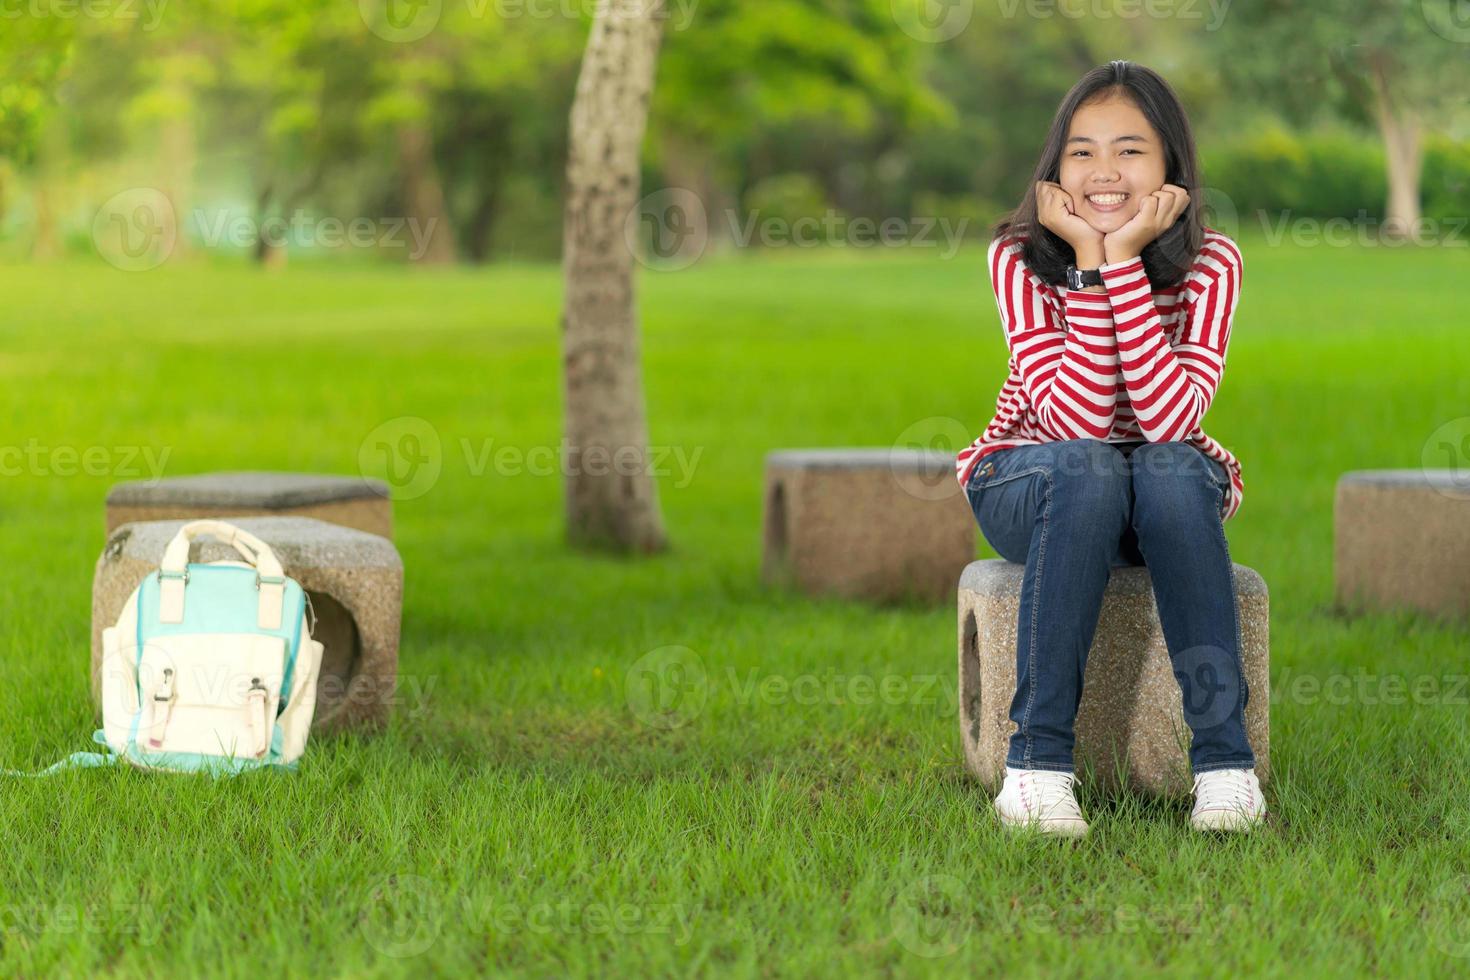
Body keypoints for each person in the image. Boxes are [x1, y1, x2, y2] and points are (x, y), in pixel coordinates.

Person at [954, 60, 1264, 837]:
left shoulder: (1211, 263)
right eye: (1082, 151)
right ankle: (1036, 770)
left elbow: (1168, 420)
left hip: (1161, 489)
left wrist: (1120, 260)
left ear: (1170, 169)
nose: (1104, 172)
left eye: (1130, 150)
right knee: (1091, 467)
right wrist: (1093, 267)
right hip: (1033, 478)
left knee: (1164, 466)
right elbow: (1074, 423)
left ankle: (1227, 771)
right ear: (1055, 167)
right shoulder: (1019, 259)